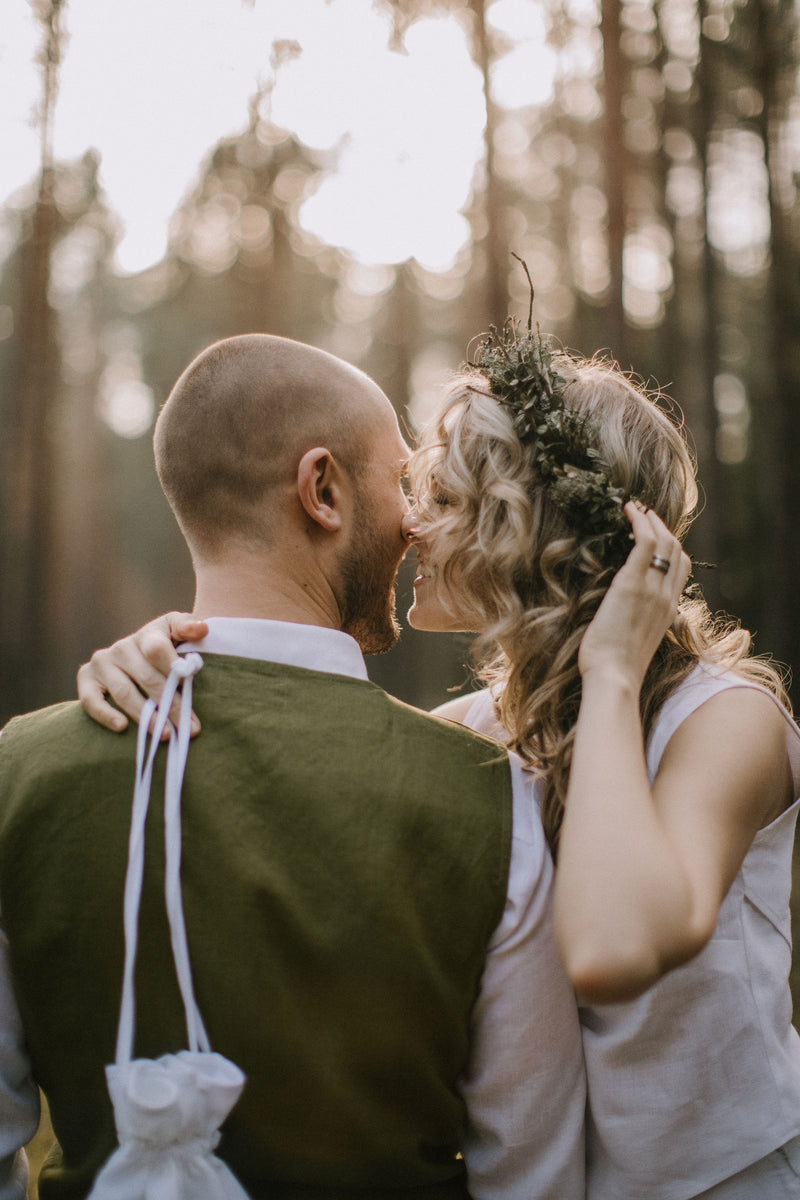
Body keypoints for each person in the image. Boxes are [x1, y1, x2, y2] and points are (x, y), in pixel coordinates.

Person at [81, 319, 800, 1199]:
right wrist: (170, 655)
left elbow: (613, 947)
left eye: (447, 501)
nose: (412, 526)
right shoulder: (470, 730)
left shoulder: (726, 721)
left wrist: (611, 676)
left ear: (540, 534)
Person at [0, 333, 585, 1200]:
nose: (418, 524)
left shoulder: (18, 773)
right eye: (402, 485)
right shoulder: (489, 795)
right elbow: (533, 1177)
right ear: (322, 490)